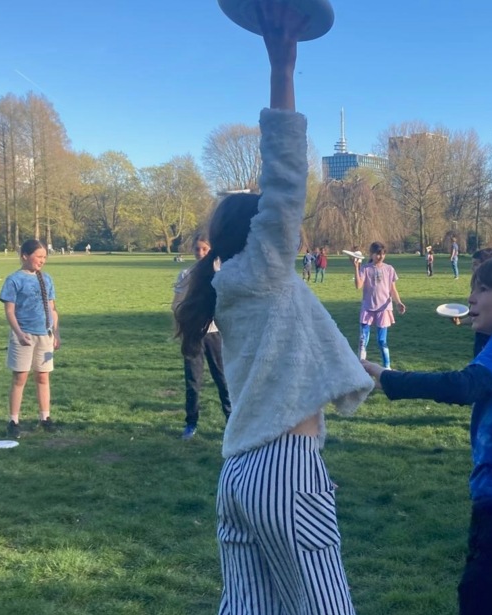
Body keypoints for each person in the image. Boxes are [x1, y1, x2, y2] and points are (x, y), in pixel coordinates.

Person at [174, 6, 373, 611]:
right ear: (259, 232)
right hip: (285, 468)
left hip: (238, 473)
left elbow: (297, 348)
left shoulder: (234, 285)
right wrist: (282, 68)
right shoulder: (262, 269)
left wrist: (365, 372)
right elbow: (286, 175)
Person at [362, 254, 492, 615]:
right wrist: (481, 327)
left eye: (483, 289)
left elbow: (468, 385)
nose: (471, 297)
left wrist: (389, 379)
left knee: (483, 597)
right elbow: (487, 379)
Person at [172, 235, 231, 440]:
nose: (201, 253)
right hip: (193, 334)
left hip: (214, 334)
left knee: (223, 379)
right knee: (193, 381)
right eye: (197, 249)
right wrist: (182, 324)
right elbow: (177, 304)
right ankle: (191, 423)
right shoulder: (186, 274)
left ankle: (231, 421)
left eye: (205, 249)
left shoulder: (220, 274)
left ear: (211, 250)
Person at [0, 239, 60, 438]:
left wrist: (56, 333)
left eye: (45, 257)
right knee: (20, 377)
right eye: (39, 256)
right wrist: (19, 333)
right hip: (23, 335)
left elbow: (52, 309)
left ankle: (45, 418)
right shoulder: (14, 280)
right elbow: (9, 311)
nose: (42, 260)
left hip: (45, 335)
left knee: (43, 376)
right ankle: (13, 421)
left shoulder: (46, 279)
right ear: (25, 256)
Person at [353, 241, 406, 369]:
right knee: (363, 340)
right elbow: (358, 285)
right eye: (377, 254)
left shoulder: (389, 269)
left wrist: (398, 302)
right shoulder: (365, 268)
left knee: (382, 341)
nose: (380, 256)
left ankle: (387, 368)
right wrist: (356, 268)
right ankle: (361, 367)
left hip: (384, 308)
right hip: (368, 308)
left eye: (383, 254)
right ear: (371, 254)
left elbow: (393, 289)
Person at [469, 248, 492, 356]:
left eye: (475, 264)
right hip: (481, 336)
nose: (472, 268)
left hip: (491, 337)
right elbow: (477, 314)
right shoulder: (477, 284)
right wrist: (460, 321)